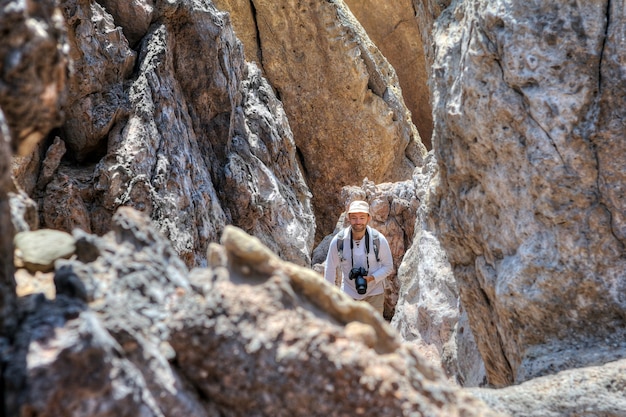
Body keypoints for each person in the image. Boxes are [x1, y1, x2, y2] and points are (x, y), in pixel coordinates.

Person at [324, 200, 393, 315]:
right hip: (348, 293)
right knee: (348, 329)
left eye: (362, 217)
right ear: (348, 218)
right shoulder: (339, 241)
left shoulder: (378, 240)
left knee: (373, 330)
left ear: (368, 218)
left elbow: (388, 266)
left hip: (374, 293)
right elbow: (330, 268)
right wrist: (329, 297)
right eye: (354, 217)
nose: (358, 222)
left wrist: (371, 278)